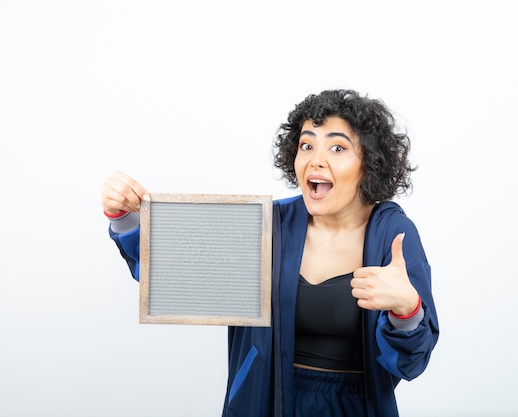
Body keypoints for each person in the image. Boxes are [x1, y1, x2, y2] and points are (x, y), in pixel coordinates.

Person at [101, 89, 439, 417]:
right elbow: (173, 274)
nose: (316, 160)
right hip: (265, 401)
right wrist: (125, 217)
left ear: (370, 163)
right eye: (306, 145)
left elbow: (411, 361)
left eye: (337, 147)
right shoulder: (266, 225)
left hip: (354, 407)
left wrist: (406, 311)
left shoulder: (392, 236)